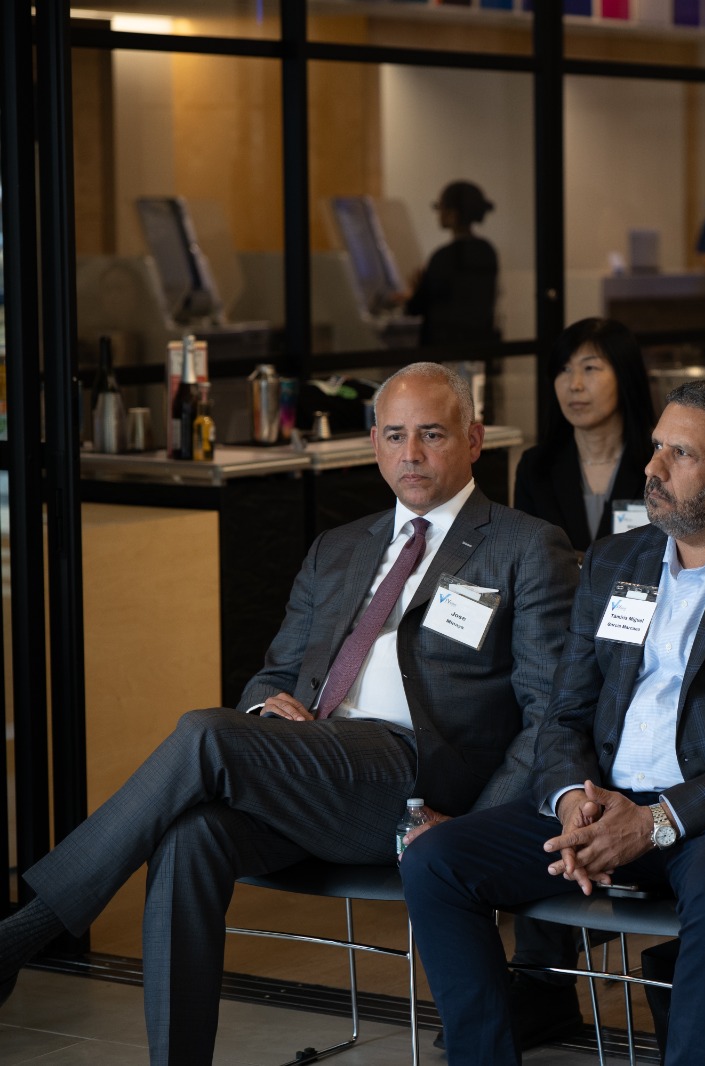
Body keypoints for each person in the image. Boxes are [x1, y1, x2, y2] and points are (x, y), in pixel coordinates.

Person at [0, 362, 578, 1063]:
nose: (411, 454)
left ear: (474, 440)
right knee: (191, 836)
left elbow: (547, 712)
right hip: (316, 767)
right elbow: (274, 675)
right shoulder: (339, 546)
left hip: (418, 779)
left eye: (432, 434)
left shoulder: (525, 545)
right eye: (395, 435)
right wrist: (264, 712)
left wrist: (476, 829)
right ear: (374, 444)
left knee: (205, 733)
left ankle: (22, 933)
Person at [400, 378, 705, 1066]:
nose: (653, 468)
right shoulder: (617, 561)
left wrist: (655, 821)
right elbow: (565, 712)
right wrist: (572, 799)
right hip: (608, 804)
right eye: (655, 447)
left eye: (681, 454)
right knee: (437, 860)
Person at [514, 317, 656, 556]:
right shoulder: (535, 468)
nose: (574, 385)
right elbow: (524, 559)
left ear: (625, 375)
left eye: (590, 368)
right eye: (564, 369)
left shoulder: (659, 464)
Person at [405, 180, 500, 346]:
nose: (438, 213)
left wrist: (414, 291)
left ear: (452, 214)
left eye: (439, 207)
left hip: (444, 348)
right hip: (479, 345)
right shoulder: (487, 251)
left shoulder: (444, 256)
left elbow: (416, 308)